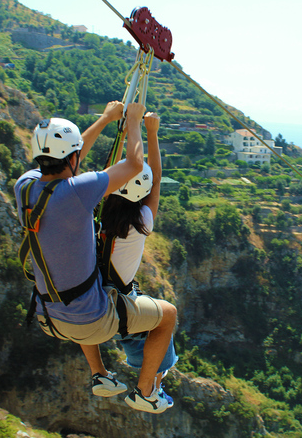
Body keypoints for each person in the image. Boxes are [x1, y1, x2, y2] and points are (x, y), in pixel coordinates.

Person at [14, 101, 176, 414]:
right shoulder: (77, 193)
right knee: (167, 314)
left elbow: (67, 162)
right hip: (92, 321)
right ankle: (145, 392)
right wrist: (131, 122)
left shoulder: (25, 186)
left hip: (48, 316)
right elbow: (132, 164)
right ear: (73, 156)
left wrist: (104, 120)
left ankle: (99, 374)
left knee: (83, 288)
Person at [93, 111, 178, 407]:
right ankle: (147, 390)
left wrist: (125, 128)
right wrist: (151, 133)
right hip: (119, 302)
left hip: (93, 297)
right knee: (165, 321)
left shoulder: (97, 209)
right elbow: (155, 184)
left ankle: (99, 373)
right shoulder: (141, 219)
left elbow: (106, 173)